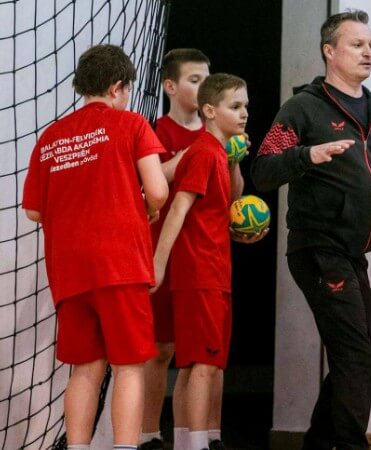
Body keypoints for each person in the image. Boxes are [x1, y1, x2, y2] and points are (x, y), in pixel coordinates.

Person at [251, 10, 371, 450]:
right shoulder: (303, 108)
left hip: (354, 253)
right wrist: (306, 156)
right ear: (329, 51)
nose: (368, 52)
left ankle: (317, 444)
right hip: (317, 248)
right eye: (357, 44)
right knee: (356, 357)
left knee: (353, 357)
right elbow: (263, 170)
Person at [22, 44, 168, 450]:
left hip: (69, 271)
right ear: (118, 87)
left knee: (85, 369)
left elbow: (33, 211)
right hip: (120, 265)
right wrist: (145, 207)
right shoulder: (131, 124)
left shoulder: (51, 136)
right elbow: (158, 190)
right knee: (129, 367)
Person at [152, 73, 263, 450]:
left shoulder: (218, 152)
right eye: (236, 106)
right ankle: (197, 443)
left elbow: (221, 208)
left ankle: (191, 441)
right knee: (202, 365)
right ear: (210, 111)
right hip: (200, 274)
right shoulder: (202, 152)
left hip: (214, 272)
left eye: (246, 106)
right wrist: (158, 264)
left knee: (198, 365)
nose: (244, 113)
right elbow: (177, 209)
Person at [140, 47, 210, 450]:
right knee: (159, 350)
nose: (203, 87)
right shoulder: (154, 132)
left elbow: (231, 197)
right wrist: (184, 158)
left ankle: (201, 437)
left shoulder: (216, 132)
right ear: (170, 86)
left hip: (204, 256)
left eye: (207, 80)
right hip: (161, 252)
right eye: (194, 80)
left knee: (203, 356)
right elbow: (147, 189)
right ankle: (148, 434)